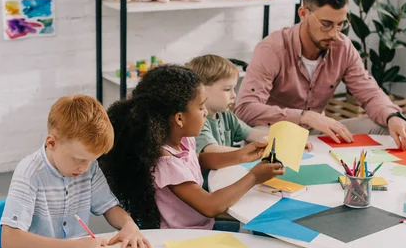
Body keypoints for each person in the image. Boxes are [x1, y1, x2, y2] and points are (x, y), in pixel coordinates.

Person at [235, 0, 406, 150]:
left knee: (384, 127)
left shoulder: (342, 48)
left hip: (314, 132)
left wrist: (392, 116)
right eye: (326, 24)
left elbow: (369, 92)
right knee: (273, 143)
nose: (334, 33)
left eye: (341, 24)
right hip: (273, 131)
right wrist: (303, 116)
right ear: (303, 13)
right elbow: (245, 109)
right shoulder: (272, 49)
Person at [99, 65, 284, 231]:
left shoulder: (182, 140)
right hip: (183, 238)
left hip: (201, 227)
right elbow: (210, 206)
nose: (205, 112)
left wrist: (240, 155)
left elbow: (199, 160)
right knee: (259, 233)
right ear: (179, 118)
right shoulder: (166, 163)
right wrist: (254, 177)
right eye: (201, 106)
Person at [1, 95, 151, 248]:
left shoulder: (88, 168)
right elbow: (10, 240)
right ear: (52, 143)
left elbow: (110, 207)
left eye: (92, 160)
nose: (85, 167)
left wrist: (128, 224)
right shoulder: (30, 173)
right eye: (79, 159)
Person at [187, 54, 313, 190]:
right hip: (208, 187)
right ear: (201, 90)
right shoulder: (197, 121)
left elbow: (252, 133)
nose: (234, 95)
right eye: (227, 89)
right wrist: (252, 152)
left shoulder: (225, 115)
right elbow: (213, 151)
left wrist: (289, 141)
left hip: (225, 178)